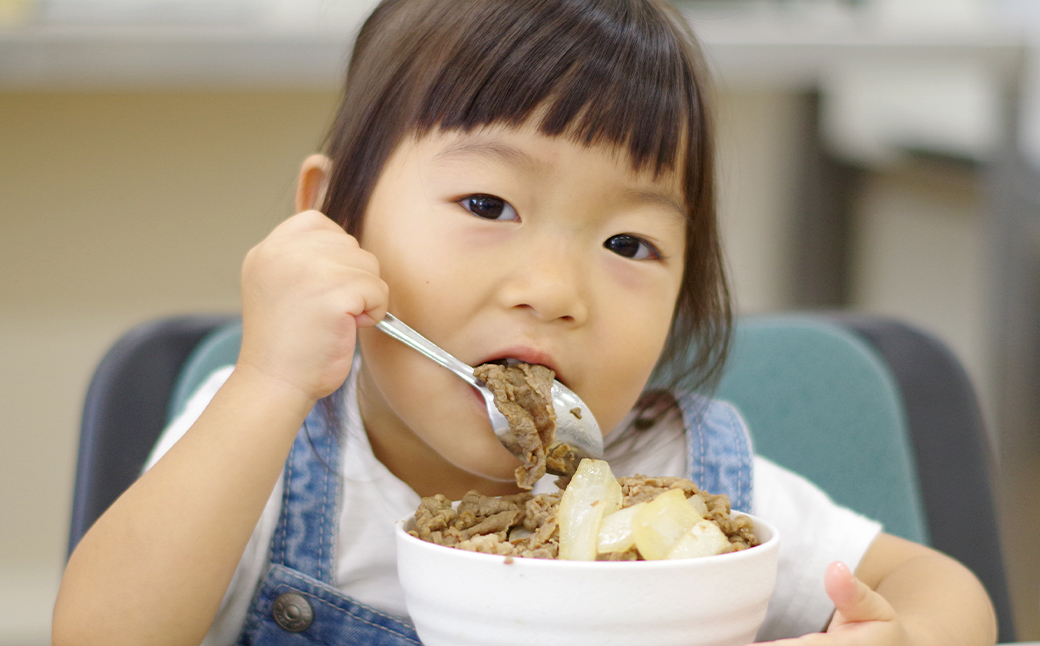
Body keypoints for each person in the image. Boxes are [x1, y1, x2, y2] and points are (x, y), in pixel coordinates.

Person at [52, 1, 998, 645]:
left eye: (628, 244)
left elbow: (947, 592)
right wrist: (267, 382)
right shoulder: (267, 442)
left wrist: (905, 634)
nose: (554, 290)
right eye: (488, 204)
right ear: (335, 223)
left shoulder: (681, 480)